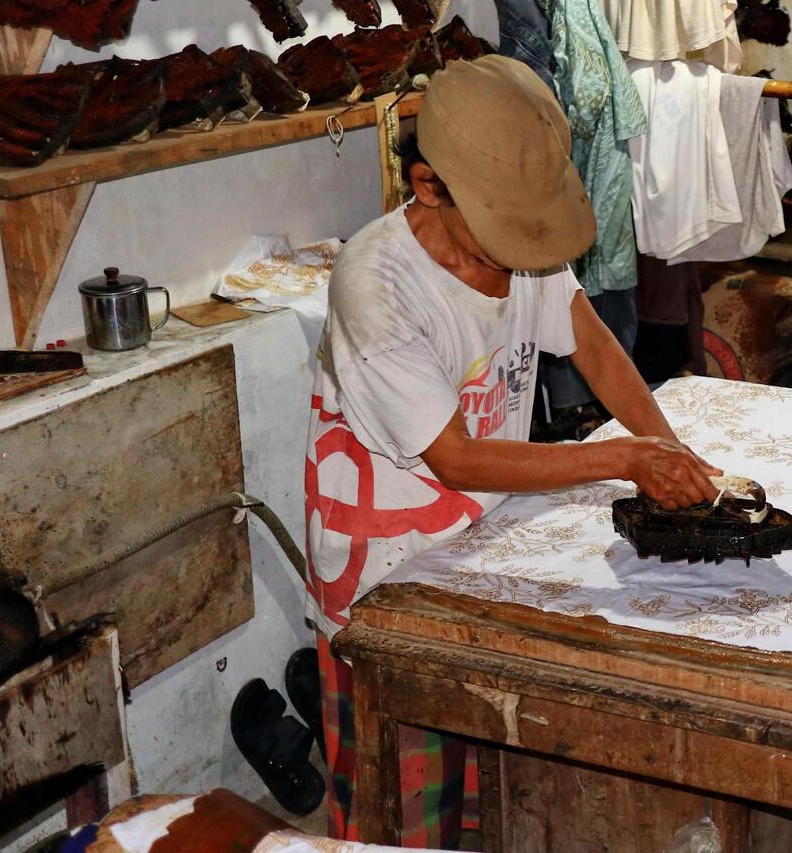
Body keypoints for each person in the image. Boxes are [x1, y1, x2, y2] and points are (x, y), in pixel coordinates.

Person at [302, 55, 721, 844]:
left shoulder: (518, 244)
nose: (518, 251)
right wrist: (625, 460)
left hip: (479, 532)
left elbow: (592, 344)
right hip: (385, 565)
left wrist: (668, 449)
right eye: (499, 230)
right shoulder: (376, 283)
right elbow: (455, 458)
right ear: (427, 187)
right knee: (398, 798)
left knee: (483, 777)